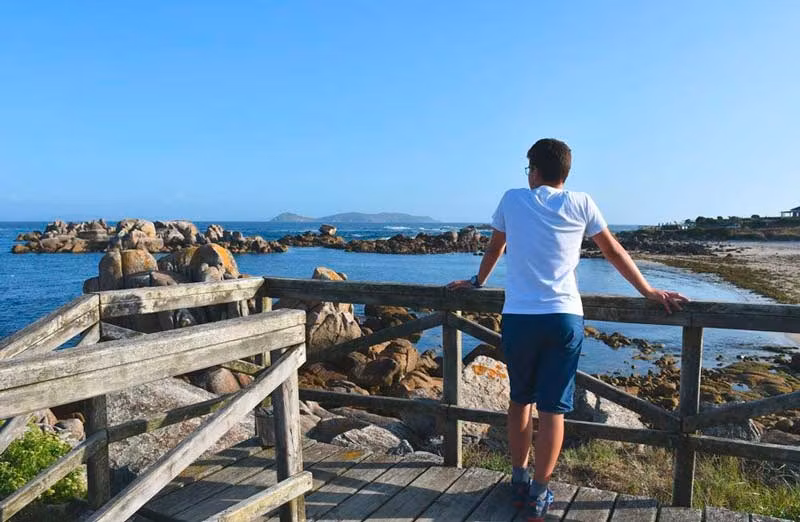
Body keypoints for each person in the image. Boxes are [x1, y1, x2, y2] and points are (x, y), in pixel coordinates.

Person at [447, 138, 688, 521]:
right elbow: (613, 251)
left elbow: (495, 249)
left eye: (529, 169)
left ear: (535, 169)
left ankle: (518, 477)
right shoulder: (582, 202)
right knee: (554, 409)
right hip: (563, 318)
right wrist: (649, 290)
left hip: (520, 318)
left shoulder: (512, 200)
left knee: (519, 401)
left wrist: (477, 282)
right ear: (565, 173)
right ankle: (541, 491)